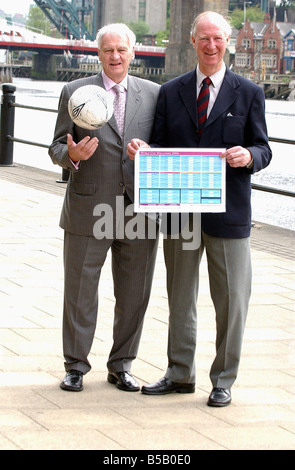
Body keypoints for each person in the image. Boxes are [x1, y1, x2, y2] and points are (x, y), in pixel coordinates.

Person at [127, 11, 272, 406]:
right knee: (180, 298)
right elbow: (158, 145)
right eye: (203, 39)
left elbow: (264, 148)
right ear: (193, 41)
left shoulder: (249, 93)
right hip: (180, 213)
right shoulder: (170, 91)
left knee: (231, 302)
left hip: (229, 214)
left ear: (228, 42)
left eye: (217, 39)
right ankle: (179, 373)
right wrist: (144, 151)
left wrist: (249, 156)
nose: (211, 46)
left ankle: (223, 379)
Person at [49, 23, 160, 393]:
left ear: (133, 52)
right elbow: (56, 149)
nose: (115, 56)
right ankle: (76, 365)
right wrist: (73, 156)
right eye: (108, 50)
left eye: (122, 49)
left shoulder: (154, 94)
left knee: (134, 294)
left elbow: (165, 148)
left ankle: (122, 365)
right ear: (99, 54)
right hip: (88, 208)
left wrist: (150, 153)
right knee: (80, 292)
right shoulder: (75, 91)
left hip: (140, 211)